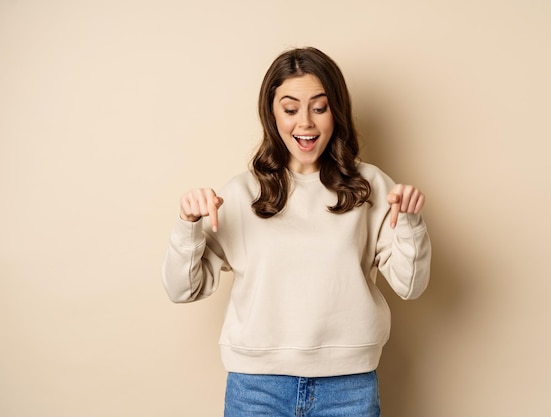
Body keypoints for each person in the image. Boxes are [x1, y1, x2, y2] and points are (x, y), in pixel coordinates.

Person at [162, 46, 431, 417]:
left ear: (336, 111)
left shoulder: (370, 187)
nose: (305, 123)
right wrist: (188, 224)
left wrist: (411, 221)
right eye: (290, 109)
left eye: (319, 108)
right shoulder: (240, 194)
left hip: (348, 388)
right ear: (272, 114)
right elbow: (182, 289)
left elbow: (410, 285)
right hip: (256, 388)